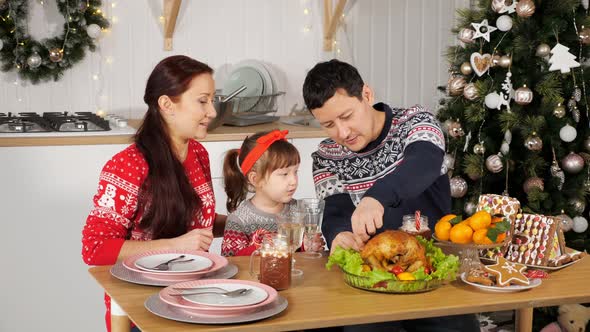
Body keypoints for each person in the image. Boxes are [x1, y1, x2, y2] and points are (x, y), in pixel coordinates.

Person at [303, 59, 479, 332]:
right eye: (328, 124)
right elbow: (335, 210)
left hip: (430, 276)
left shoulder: (416, 122)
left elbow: (424, 162)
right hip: (371, 281)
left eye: (347, 116)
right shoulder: (327, 156)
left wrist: (376, 198)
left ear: (367, 95)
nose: (342, 132)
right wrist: (339, 234)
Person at [81, 55, 226, 332]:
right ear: (167, 104)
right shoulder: (128, 165)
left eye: (212, 100)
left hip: (192, 297)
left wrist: (248, 221)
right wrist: (175, 245)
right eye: (202, 101)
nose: (213, 112)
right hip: (142, 307)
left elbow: (196, 225)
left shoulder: (198, 153)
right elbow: (95, 249)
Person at [221, 130, 323, 256]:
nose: (293, 181)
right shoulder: (239, 221)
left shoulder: (299, 211)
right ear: (255, 179)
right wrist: (270, 247)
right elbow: (231, 262)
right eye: (284, 174)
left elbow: (302, 259)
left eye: (295, 172)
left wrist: (309, 246)